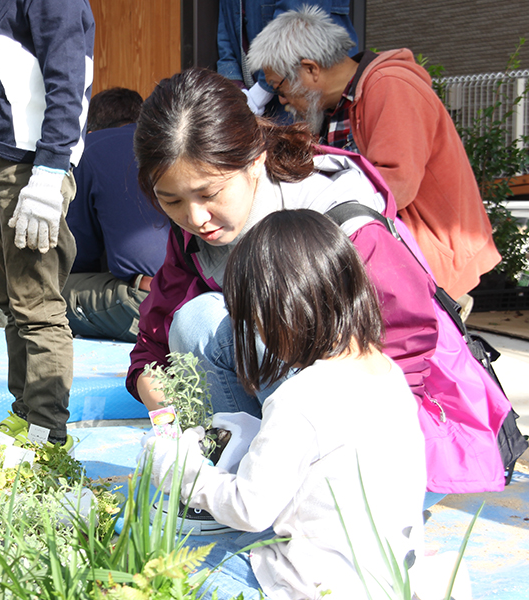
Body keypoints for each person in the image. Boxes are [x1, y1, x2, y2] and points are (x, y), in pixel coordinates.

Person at [128, 69, 510, 523]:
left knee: (256, 326)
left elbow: (402, 342)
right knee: (197, 320)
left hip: (377, 427)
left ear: (254, 159)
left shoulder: (338, 214)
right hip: (295, 398)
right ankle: (250, 472)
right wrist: (145, 382)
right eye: (172, 201)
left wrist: (367, 468)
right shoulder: (194, 233)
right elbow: (157, 329)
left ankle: (300, 491)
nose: (196, 217)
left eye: (209, 193)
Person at [141, 209, 427, 600]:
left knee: (181, 561)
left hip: (318, 587)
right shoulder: (387, 374)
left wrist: (176, 469)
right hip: (391, 576)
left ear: (279, 310)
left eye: (252, 319)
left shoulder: (299, 398)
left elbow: (250, 509)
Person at [246, 6, 500, 299]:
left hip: (430, 256)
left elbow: (394, 186)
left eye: (280, 85)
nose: (282, 99)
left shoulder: (391, 86)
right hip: (390, 251)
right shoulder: (336, 105)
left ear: (311, 69)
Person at [0, 0, 94, 449]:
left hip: (30, 172)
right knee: (13, 304)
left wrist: (51, 172)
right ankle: (25, 418)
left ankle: (45, 436)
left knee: (37, 308)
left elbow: (69, 83)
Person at [62, 87, 169, 343]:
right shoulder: (169, 141)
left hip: (150, 304)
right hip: (203, 294)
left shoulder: (89, 151)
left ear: (90, 129)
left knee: (38, 295)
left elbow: (78, 255)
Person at [216, 0, 357, 118]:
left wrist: (260, 94)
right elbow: (226, 30)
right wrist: (236, 92)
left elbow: (294, 27)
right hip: (270, 87)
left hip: (299, 84)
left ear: (311, 69)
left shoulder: (373, 89)